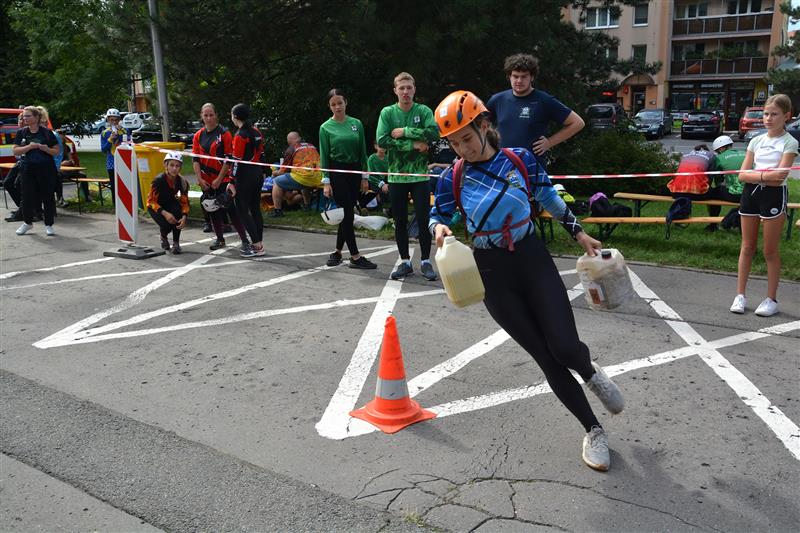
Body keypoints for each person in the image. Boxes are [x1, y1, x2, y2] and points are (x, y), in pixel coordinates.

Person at [429, 90, 624, 472]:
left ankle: (589, 372)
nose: (461, 149)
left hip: (531, 257)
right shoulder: (453, 176)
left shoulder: (520, 160)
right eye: (453, 143)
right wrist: (439, 230)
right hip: (490, 271)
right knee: (546, 358)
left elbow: (548, 196)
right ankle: (594, 430)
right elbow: (439, 214)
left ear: (485, 126)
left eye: (466, 139)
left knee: (565, 347)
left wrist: (579, 234)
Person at [730, 94, 798, 317]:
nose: (768, 118)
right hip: (751, 195)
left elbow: (780, 177)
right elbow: (741, 174)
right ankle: (740, 295)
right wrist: (762, 176)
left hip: (774, 196)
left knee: (769, 250)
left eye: (774, 114)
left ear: (786, 116)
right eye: (766, 114)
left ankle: (771, 299)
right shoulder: (755, 141)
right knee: (747, 246)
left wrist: (755, 175)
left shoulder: (790, 142)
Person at [376, 72, 439, 281]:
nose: (405, 92)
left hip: (420, 175)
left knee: (423, 220)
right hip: (396, 177)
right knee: (400, 220)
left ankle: (426, 262)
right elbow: (382, 140)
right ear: (395, 90)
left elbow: (433, 134)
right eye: (401, 88)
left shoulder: (423, 110)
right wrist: (412, 144)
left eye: (409, 88)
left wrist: (405, 131)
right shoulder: (387, 112)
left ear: (414, 89)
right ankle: (405, 262)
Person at [486, 53, 585, 168]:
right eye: (515, 76)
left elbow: (577, 123)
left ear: (532, 77)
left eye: (524, 76)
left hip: (532, 168)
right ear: (509, 76)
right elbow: (481, 128)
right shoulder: (497, 100)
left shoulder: (544, 100)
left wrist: (549, 142)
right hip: (502, 167)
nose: (519, 80)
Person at [318, 88, 377, 270]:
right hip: (336, 171)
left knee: (347, 213)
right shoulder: (325, 127)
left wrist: (364, 176)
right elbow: (325, 156)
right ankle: (355, 256)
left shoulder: (356, 123)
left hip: (354, 171)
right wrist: (326, 181)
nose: (337, 107)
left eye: (340, 103)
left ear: (346, 103)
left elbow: (362, 151)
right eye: (333, 104)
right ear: (329, 106)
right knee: (348, 214)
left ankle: (337, 252)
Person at [191, 103, 249, 251]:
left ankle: (245, 240)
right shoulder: (198, 135)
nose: (209, 118)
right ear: (201, 116)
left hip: (222, 180)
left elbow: (228, 159)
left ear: (216, 115)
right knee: (212, 210)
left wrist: (219, 179)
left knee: (231, 210)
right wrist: (199, 179)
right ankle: (220, 239)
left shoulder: (224, 133)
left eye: (211, 115)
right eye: (206, 115)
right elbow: (195, 159)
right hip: (206, 180)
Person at [13, 106, 60, 236]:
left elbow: (57, 151)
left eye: (28, 116)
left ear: (36, 117)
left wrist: (46, 149)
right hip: (28, 168)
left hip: (46, 168)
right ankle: (27, 222)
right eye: (24, 116)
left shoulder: (46, 133)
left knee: (47, 196)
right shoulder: (21, 132)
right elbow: (15, 150)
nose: (24, 118)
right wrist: (28, 147)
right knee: (27, 196)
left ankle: (49, 224)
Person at [228, 103, 266, 258]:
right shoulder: (256, 131)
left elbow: (236, 161)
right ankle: (259, 243)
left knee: (242, 210)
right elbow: (262, 153)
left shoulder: (240, 135)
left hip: (245, 175)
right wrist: (263, 171)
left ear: (235, 117)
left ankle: (256, 245)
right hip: (257, 173)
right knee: (255, 208)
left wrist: (231, 180)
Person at [270, 131, 323, 217]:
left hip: (303, 178)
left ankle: (277, 211)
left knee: (277, 181)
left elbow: (281, 171)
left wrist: (274, 173)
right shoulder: (312, 146)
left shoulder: (291, 149)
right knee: (305, 182)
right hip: (318, 178)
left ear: (290, 140)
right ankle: (307, 206)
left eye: (288, 141)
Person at [666, 144, 718, 229]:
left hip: (675, 192)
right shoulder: (711, 156)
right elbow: (710, 177)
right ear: (707, 151)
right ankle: (713, 225)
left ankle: (679, 218)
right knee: (716, 195)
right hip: (697, 193)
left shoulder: (685, 156)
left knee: (685, 192)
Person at [147, 151, 189, 254]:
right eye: (171, 165)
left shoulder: (182, 182)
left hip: (170, 203)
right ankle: (163, 236)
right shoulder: (158, 180)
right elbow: (151, 201)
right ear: (166, 165)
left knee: (177, 214)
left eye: (177, 166)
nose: (174, 168)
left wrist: (184, 216)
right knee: (167, 225)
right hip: (155, 206)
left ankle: (176, 243)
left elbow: (184, 201)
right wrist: (165, 214)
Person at [707, 135, 745, 231]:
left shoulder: (719, 158)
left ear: (722, 148)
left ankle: (713, 225)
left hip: (735, 194)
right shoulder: (744, 153)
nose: (717, 153)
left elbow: (718, 178)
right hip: (751, 193)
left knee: (713, 194)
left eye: (717, 151)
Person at [100, 108, 128, 205]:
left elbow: (128, 144)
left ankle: (127, 204)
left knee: (125, 185)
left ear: (119, 119)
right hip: (111, 163)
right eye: (112, 119)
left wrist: (121, 134)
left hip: (124, 162)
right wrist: (110, 139)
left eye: (116, 119)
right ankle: (115, 205)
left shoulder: (125, 131)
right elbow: (103, 149)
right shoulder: (104, 133)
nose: (114, 122)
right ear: (108, 120)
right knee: (114, 186)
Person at [366, 142, 390, 212]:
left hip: (387, 181)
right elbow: (370, 175)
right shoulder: (371, 158)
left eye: (384, 146)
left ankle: (389, 208)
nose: (383, 148)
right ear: (375, 146)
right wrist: (381, 184)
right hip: (374, 182)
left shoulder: (388, 158)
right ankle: (378, 205)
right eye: (380, 146)